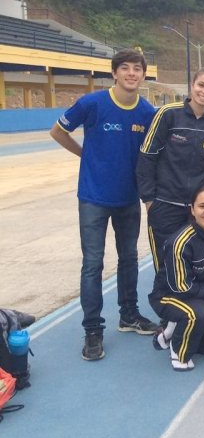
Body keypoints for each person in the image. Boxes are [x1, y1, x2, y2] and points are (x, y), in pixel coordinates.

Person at [50, 48, 159, 361]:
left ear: (142, 74)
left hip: (128, 198)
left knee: (129, 259)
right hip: (94, 198)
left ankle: (129, 315)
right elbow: (57, 131)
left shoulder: (147, 112)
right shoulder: (91, 103)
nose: (131, 74)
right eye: (124, 68)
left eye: (137, 69)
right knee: (93, 264)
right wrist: (84, 155)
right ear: (114, 73)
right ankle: (93, 329)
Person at [137, 67, 204, 272]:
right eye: (201, 85)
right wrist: (149, 200)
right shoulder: (168, 114)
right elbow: (146, 157)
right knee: (166, 267)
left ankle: (196, 303)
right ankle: (166, 304)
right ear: (192, 85)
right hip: (165, 206)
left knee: (196, 265)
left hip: (198, 211)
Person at [149, 185, 204, 371]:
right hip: (170, 296)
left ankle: (175, 332)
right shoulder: (180, 242)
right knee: (199, 313)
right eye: (202, 206)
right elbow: (182, 289)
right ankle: (178, 351)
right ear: (192, 209)